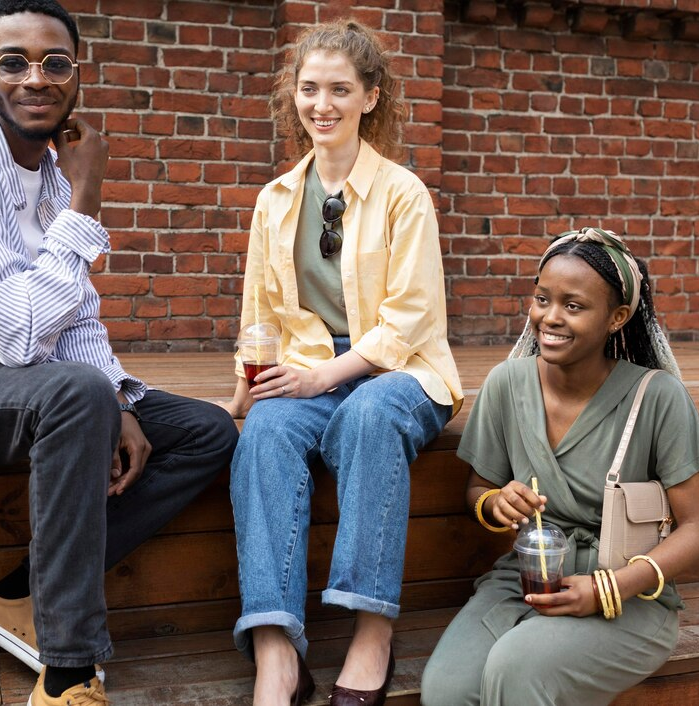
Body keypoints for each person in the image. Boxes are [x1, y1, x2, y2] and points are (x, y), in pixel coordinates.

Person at [0, 0, 238, 703]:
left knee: (204, 431)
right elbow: (17, 332)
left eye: (55, 63)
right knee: (75, 392)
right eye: (14, 62)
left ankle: (20, 590)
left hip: (25, 386)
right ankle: (67, 670)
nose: (37, 78)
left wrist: (118, 399)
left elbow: (77, 319)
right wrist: (86, 198)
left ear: (77, 75)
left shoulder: (54, 176)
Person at [221, 19, 463, 706]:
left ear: (371, 97)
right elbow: (259, 314)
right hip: (305, 366)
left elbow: (412, 316)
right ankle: (275, 649)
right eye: (308, 89)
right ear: (292, 96)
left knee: (368, 413)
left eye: (339, 89)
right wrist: (244, 399)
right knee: (264, 435)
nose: (321, 104)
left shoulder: (403, 193)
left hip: (401, 371)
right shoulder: (274, 202)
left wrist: (329, 373)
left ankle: (371, 626)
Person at [420, 227, 699, 705]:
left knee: (516, 671)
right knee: (446, 692)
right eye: (542, 298)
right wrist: (497, 503)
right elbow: (479, 488)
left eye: (573, 306)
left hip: (627, 591)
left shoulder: (658, 397)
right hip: (526, 576)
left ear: (617, 317)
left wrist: (610, 588)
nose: (550, 317)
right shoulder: (505, 384)